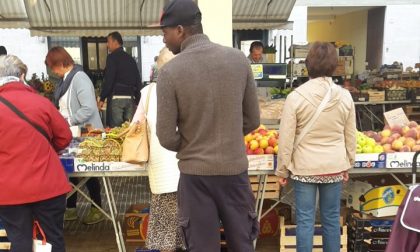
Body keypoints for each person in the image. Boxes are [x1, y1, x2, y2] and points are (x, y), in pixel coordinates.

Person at [155, 0, 261, 251]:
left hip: (195, 177)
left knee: (202, 247)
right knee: (242, 244)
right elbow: (253, 120)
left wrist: (194, 143)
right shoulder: (238, 60)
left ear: (180, 30)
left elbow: (166, 136)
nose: (163, 40)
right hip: (235, 172)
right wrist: (228, 137)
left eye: (165, 32)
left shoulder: (170, 73)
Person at [276, 42, 356, 252]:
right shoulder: (345, 96)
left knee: (304, 220)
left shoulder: (296, 97)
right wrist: (348, 163)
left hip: (304, 167)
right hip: (334, 165)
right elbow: (350, 135)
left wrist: (282, 169)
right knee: (331, 219)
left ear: (308, 65)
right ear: (334, 66)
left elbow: (286, 138)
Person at [0, 55, 72, 252]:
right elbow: (64, 137)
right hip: (48, 185)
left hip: (9, 190)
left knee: (20, 242)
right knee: (52, 240)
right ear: (22, 75)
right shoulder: (41, 102)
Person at [45, 46, 105, 225]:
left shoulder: (79, 78)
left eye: (53, 66)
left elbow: (89, 108)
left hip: (87, 133)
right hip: (72, 134)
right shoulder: (66, 79)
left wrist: (66, 121)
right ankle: (71, 208)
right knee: (71, 172)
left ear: (62, 63)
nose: (53, 71)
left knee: (88, 172)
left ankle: (97, 208)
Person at [132, 47, 182, 252]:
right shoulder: (188, 88)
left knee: (163, 219)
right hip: (185, 163)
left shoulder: (148, 92)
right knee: (185, 218)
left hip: (160, 168)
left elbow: (135, 125)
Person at [98, 31, 141, 127]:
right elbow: (138, 80)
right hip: (130, 98)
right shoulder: (131, 59)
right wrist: (138, 100)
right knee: (129, 130)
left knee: (116, 132)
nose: (107, 45)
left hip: (116, 99)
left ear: (115, 42)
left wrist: (102, 98)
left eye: (108, 42)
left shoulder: (112, 57)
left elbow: (109, 80)